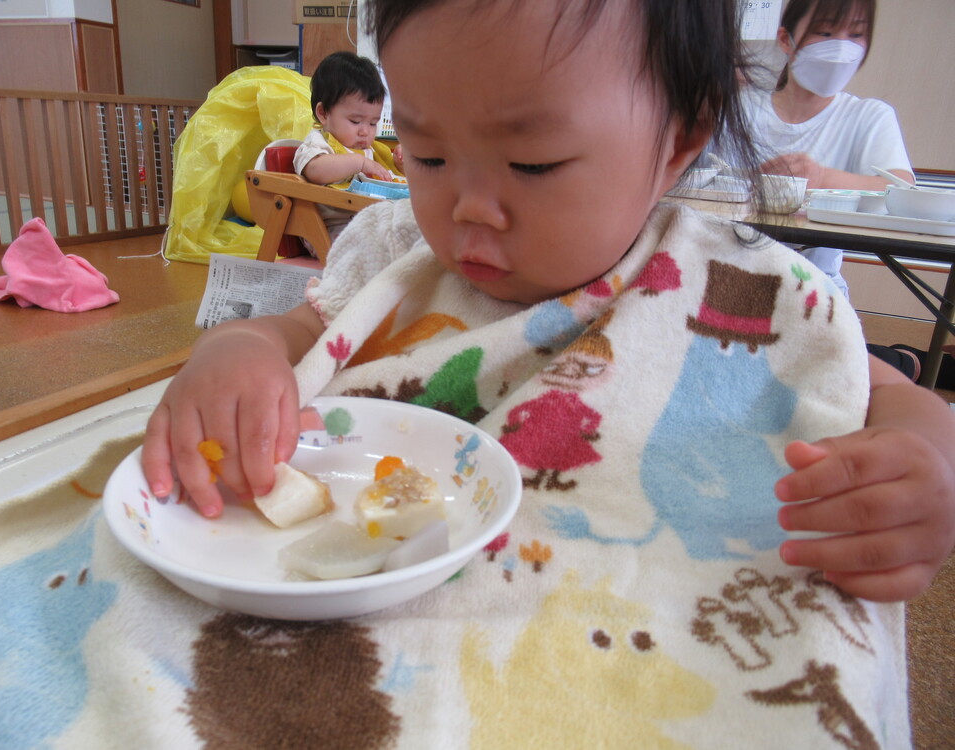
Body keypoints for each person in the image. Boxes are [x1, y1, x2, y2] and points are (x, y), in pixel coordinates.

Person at [143, 1, 954, 743]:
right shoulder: (398, 255)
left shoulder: (745, 290)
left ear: (679, 137)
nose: (468, 208)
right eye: (426, 154)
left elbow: (883, 396)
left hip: (626, 652)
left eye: (532, 165)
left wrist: (929, 467)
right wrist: (235, 353)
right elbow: (301, 332)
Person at [741, 0, 913, 299]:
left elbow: (901, 190)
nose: (841, 48)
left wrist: (820, 177)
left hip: (815, 290)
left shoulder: (869, 116)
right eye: (824, 32)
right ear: (786, 40)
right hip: (726, 273)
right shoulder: (741, 107)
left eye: (856, 35)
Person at [291, 50, 405, 246]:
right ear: (324, 113)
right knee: (379, 246)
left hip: (372, 222)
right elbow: (315, 171)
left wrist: (401, 164)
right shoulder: (319, 143)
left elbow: (393, 181)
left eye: (372, 123)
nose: (365, 132)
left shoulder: (372, 150)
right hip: (330, 231)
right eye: (355, 121)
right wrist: (358, 163)